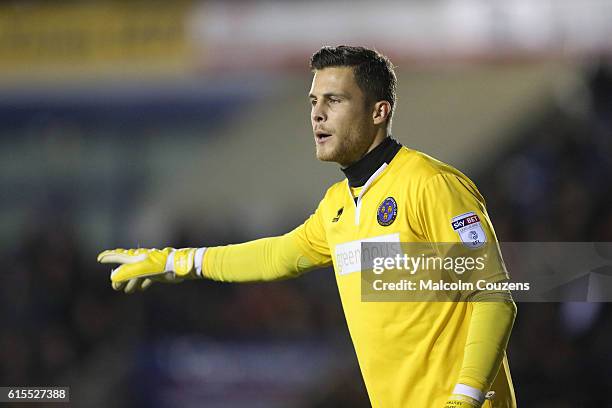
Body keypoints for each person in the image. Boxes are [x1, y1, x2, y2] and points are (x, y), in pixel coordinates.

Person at [98, 45, 517, 408]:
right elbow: (276, 255)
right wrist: (176, 261)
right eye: (313, 101)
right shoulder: (337, 206)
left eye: (334, 100)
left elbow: (494, 296)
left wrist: (466, 397)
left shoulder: (431, 185)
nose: (317, 114)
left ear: (378, 111)